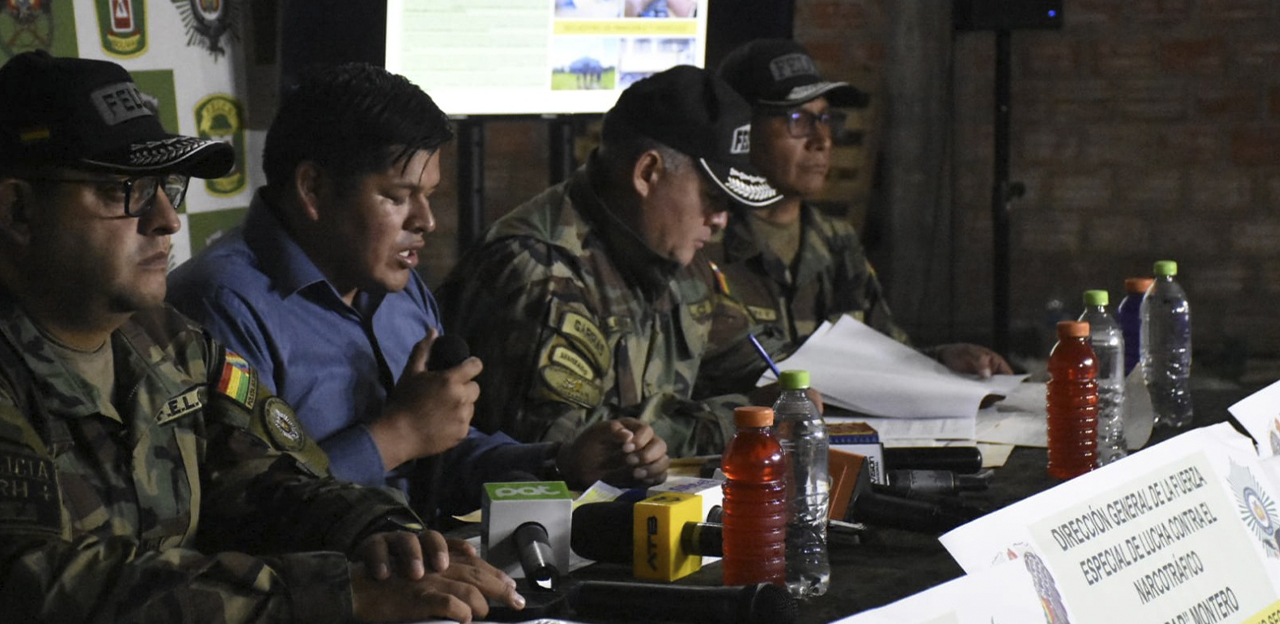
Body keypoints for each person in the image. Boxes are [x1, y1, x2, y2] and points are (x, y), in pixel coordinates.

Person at [0, 51, 522, 623]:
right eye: (123, 191)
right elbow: (37, 581)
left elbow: (265, 477)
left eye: (167, 186)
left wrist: (386, 535)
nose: (167, 219)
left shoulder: (165, 342)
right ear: (19, 211)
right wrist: (337, 593)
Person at [167, 62, 667, 522]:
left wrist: (561, 462)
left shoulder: (396, 289)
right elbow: (236, 512)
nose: (425, 221)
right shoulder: (219, 305)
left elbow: (443, 458)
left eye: (428, 196)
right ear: (313, 188)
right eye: (399, 197)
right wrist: (395, 436)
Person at [437, 65, 782, 458]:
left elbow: (749, 357)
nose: (720, 220)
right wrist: (742, 419)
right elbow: (578, 446)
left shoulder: (671, 254)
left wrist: (793, 391)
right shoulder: (540, 272)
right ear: (647, 172)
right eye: (713, 198)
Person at [692, 38, 1013, 397]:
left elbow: (884, 355)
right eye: (798, 120)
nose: (822, 140)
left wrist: (940, 361)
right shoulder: (701, 241)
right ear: (742, 130)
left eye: (825, 119)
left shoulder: (835, 240)